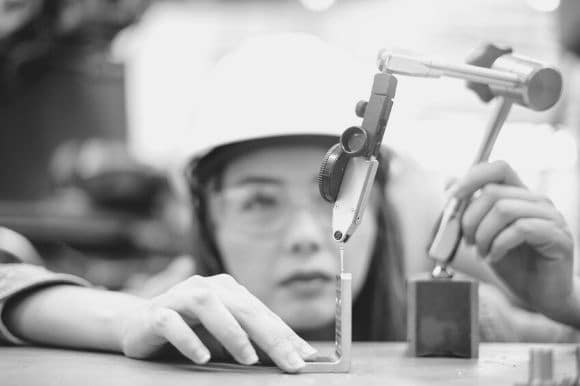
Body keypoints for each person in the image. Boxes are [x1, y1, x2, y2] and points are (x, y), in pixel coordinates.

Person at [0, 33, 579, 373]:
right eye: (259, 203)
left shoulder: (460, 324)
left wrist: (566, 302)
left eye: (335, 197)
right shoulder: (159, 321)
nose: (308, 234)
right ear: (208, 213)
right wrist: (117, 319)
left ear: (376, 204)